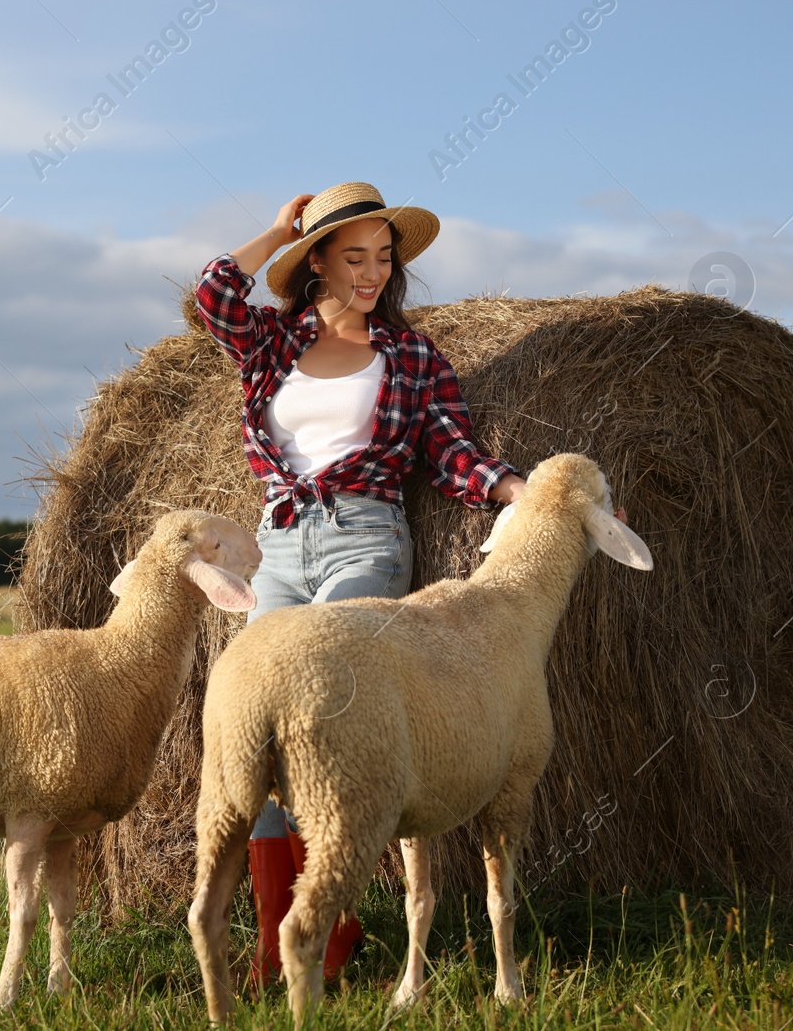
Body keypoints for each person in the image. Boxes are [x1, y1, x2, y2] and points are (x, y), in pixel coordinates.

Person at [192, 181, 529, 986]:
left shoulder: (412, 358)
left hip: (365, 540)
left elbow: (453, 452)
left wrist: (522, 492)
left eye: (384, 257)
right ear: (317, 260)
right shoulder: (272, 341)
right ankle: (283, 946)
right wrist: (275, 230)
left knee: (327, 726)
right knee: (259, 740)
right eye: (354, 256)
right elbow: (211, 293)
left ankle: (329, 938)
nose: (373, 272)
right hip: (278, 546)